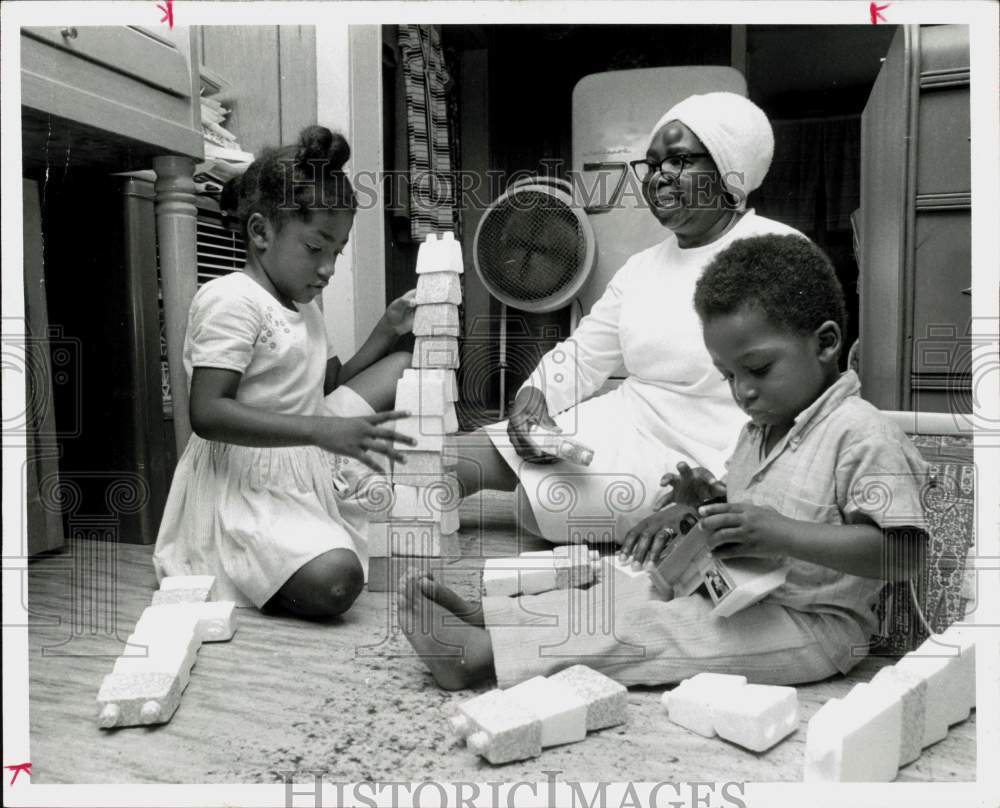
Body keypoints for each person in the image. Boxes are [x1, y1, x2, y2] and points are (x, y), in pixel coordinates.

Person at [398, 233, 929, 690]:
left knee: (656, 633)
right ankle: (496, 619)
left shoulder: (863, 434)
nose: (742, 392)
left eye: (758, 369)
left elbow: (902, 554)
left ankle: (483, 658)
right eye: (727, 376)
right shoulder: (760, 430)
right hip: (734, 588)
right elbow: (753, 508)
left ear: (827, 344)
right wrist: (707, 501)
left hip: (810, 624)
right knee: (624, 585)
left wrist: (780, 533)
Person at [453, 92, 803, 544]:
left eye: (678, 161)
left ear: (727, 168)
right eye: (652, 165)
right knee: (456, 459)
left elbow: (794, 400)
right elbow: (583, 354)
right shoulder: (642, 266)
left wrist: (719, 485)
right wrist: (532, 399)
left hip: (707, 456)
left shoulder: (779, 254)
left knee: (532, 508)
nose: (659, 178)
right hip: (625, 422)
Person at [154, 125, 419, 619]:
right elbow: (207, 414)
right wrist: (322, 431)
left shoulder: (303, 303)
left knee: (402, 365)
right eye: (316, 248)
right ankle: (255, 561)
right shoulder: (231, 300)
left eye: (336, 252)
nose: (328, 269)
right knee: (339, 581)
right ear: (260, 232)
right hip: (245, 475)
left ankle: (306, 530)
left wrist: (387, 330)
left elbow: (329, 384)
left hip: (300, 457)